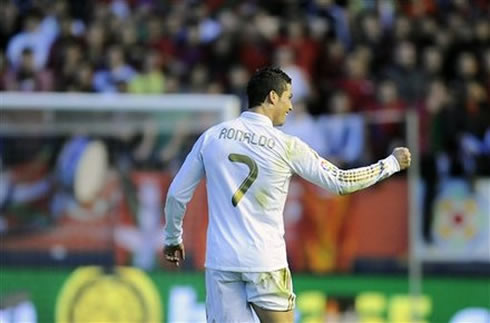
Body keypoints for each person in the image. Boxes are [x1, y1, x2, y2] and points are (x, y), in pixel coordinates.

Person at [163, 67, 411, 323]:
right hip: (265, 261)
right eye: (288, 97)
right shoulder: (287, 146)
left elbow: (176, 194)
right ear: (272, 97)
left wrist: (172, 237)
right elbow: (340, 182)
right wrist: (390, 164)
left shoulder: (212, 137)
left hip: (221, 262)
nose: (291, 106)